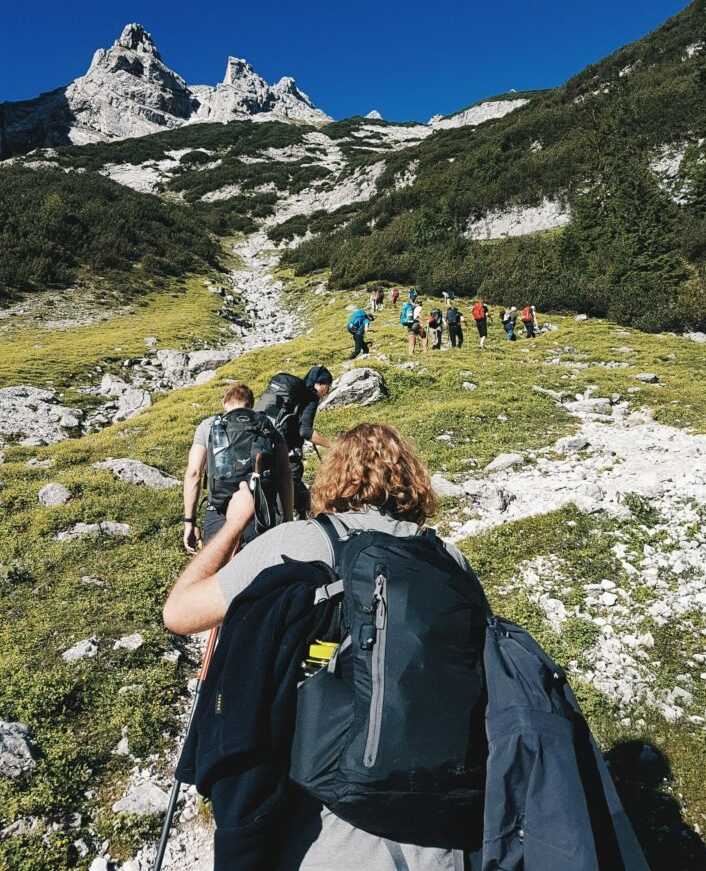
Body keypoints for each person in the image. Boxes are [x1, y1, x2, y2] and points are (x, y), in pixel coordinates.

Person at [164, 423, 476, 871]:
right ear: (412, 480)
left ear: (333, 478)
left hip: (327, 822)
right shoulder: (448, 559)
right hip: (442, 824)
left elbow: (179, 612)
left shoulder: (303, 541)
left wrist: (235, 523)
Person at [182, 382, 292, 553]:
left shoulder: (209, 425)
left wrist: (189, 522)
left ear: (224, 403)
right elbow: (285, 473)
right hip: (259, 511)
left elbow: (194, 473)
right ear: (251, 405)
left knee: (218, 568)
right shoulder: (268, 424)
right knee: (259, 569)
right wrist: (288, 518)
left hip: (219, 510)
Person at [254, 367, 334, 518]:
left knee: (297, 497)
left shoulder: (291, 397)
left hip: (265, 451)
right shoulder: (311, 397)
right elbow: (306, 432)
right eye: (328, 387)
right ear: (319, 384)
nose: (327, 392)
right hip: (289, 458)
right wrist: (334, 446)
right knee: (285, 504)